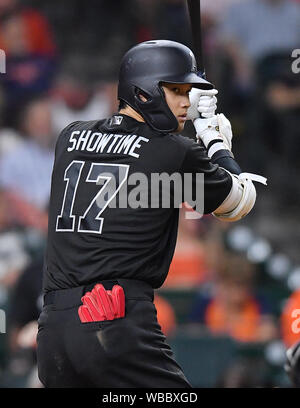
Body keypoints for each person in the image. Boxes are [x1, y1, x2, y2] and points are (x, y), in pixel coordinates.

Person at [37, 40, 266, 388]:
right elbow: (237, 203)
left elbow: (131, 153)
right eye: (177, 91)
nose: (186, 103)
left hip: (54, 332)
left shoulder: (69, 137)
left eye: (188, 92)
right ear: (144, 93)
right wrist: (215, 141)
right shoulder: (174, 151)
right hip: (115, 321)